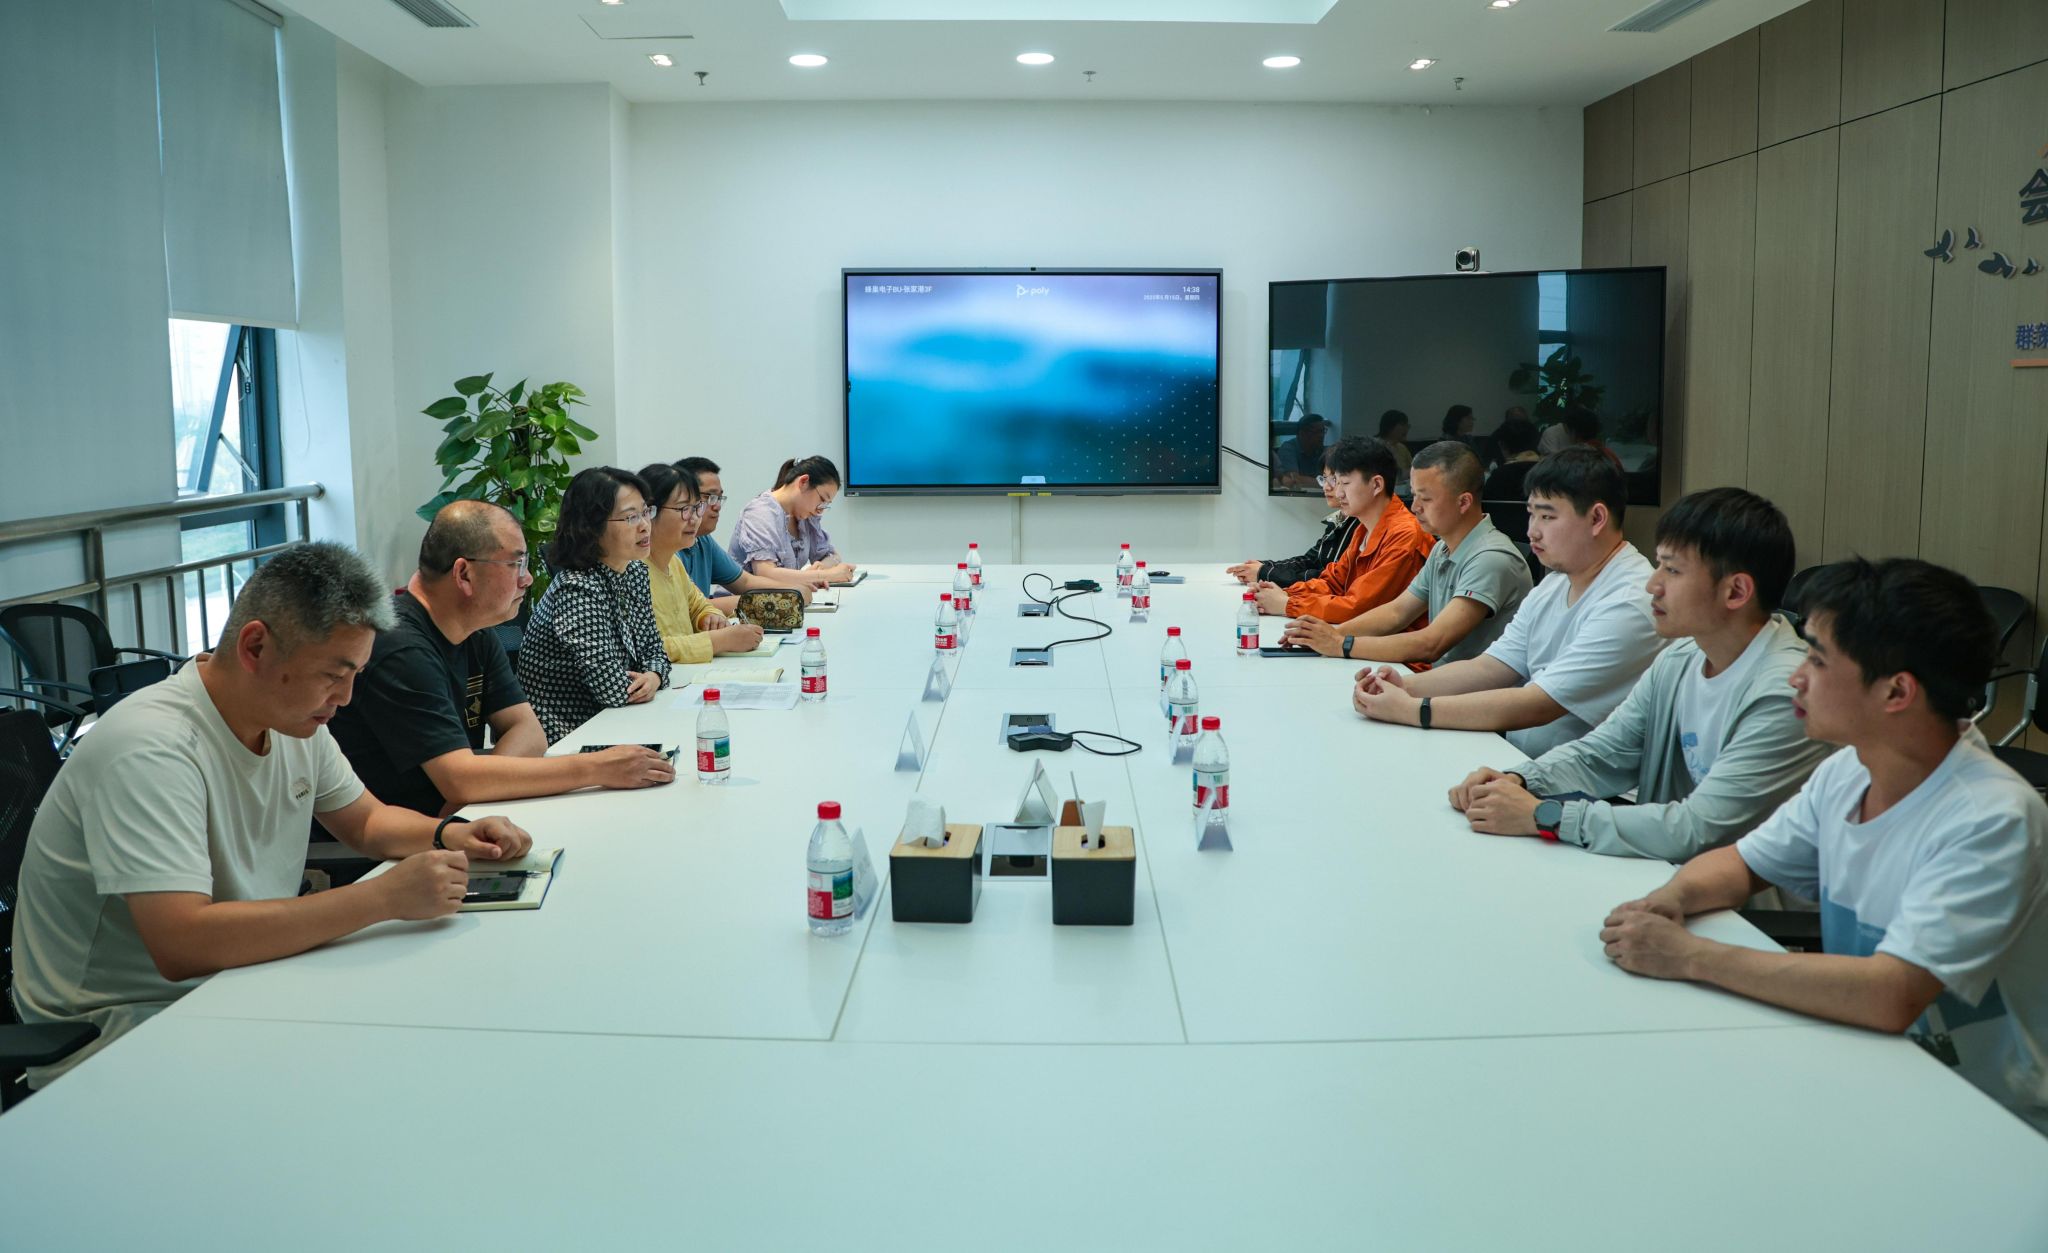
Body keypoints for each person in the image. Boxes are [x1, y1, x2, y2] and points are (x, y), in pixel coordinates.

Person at [10, 543, 533, 1085]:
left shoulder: (291, 720)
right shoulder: (151, 748)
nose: (346, 697)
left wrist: (452, 834)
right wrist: (382, 898)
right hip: (121, 1036)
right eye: (333, 674)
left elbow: (366, 821)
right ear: (255, 646)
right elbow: (182, 943)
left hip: (240, 985)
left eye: (356, 673)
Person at [1599, 557, 2048, 1135]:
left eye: (1816, 659)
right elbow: (1741, 864)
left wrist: (1688, 956)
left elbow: (1892, 994)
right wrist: (1670, 899)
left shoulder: (1992, 818)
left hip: (1984, 1114)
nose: (1796, 677)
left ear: (1896, 691)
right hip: (1868, 1064)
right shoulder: (1848, 772)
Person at [1447, 487, 1825, 859]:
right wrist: (1518, 780)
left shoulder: (1787, 693)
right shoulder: (1680, 660)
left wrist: (1544, 816)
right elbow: (1604, 751)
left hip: (1738, 897)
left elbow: (1698, 828)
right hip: (1666, 870)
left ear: (1736, 591)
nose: (1652, 585)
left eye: (1672, 570)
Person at [330, 501, 677, 818]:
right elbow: (458, 779)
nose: (527, 578)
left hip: (461, 820)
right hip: (397, 845)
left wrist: (480, 785)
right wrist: (596, 768)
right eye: (516, 564)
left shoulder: (475, 631)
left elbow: (529, 732)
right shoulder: (399, 647)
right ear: (464, 574)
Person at [1353, 449, 1662, 757]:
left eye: (1547, 516)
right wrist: (1402, 686)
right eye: (1532, 514)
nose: (1532, 531)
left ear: (1596, 518)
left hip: (1578, 778)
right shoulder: (1555, 583)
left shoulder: (1629, 602)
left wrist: (1413, 709)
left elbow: (1539, 703)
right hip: (1515, 757)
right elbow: (1492, 666)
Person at [1281, 441, 1531, 668]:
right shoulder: (1442, 548)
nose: (1415, 507)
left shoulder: (1490, 558)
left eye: (1426, 499)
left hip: (1473, 692)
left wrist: (1341, 644)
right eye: (1414, 495)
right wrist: (1329, 635)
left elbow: (1432, 643)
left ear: (1463, 502)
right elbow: (1396, 613)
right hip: (1443, 680)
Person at [516, 466, 673, 743]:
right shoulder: (576, 589)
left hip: (618, 722)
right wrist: (647, 678)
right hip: (568, 735)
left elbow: (655, 651)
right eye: (630, 517)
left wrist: (654, 676)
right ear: (592, 526)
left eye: (646, 512)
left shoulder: (635, 572)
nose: (645, 525)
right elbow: (613, 690)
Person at [1247, 437, 1432, 623]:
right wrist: (1284, 594)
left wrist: (1288, 604)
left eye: (1345, 483)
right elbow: (1333, 583)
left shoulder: (1404, 535)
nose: (1338, 493)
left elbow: (1360, 607)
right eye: (1337, 483)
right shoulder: (1363, 529)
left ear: (1376, 485)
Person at [638, 461, 767, 664]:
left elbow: (700, 605)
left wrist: (709, 617)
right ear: (650, 512)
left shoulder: (673, 562)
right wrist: (719, 641)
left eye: (697, 508)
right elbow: (647, 649)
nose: (694, 519)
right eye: (684, 509)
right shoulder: (632, 571)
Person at [674, 455, 820, 610]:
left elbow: (745, 582)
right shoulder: (669, 548)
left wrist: (791, 590)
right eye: (710, 497)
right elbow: (690, 609)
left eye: (719, 498)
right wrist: (779, 598)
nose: (717, 506)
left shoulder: (703, 540)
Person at [1226, 451, 1356, 586]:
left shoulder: (1361, 527)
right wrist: (1263, 567)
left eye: (1335, 479)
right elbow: (1310, 561)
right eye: (1324, 478)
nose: (1326, 487)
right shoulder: (1338, 520)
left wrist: (1264, 573)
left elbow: (1330, 580)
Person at [726, 455, 855, 586]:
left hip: (786, 596)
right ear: (803, 482)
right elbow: (765, 573)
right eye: (822, 499)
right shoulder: (760, 512)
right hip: (742, 598)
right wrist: (825, 575)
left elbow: (831, 556)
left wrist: (821, 568)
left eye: (825, 505)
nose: (820, 510)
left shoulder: (805, 515)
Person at [1481, 416, 1543, 545]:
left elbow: (1485, 511)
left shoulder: (1499, 476)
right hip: (1545, 539)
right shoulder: (1551, 472)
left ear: (1502, 446)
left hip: (1504, 542)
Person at [1272, 415, 1332, 487]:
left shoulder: (1324, 451)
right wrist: (1327, 483)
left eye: (1323, 431)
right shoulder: (1288, 449)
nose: (1321, 436)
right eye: (1317, 432)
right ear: (1302, 433)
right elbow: (1294, 479)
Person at [1377, 409, 1413, 485]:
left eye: (1407, 425)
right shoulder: (1375, 447)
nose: (1406, 429)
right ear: (1390, 426)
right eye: (1403, 425)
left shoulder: (1402, 448)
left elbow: (1413, 468)